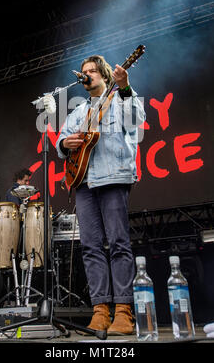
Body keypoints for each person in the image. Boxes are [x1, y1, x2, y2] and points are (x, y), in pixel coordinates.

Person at [56, 54, 145, 335]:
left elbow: (135, 122)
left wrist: (127, 87)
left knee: (118, 243)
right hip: (83, 183)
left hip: (113, 177)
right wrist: (64, 143)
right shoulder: (77, 112)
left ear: (105, 76)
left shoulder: (120, 99)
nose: (87, 75)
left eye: (92, 71)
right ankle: (100, 311)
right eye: (83, 72)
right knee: (91, 247)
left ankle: (123, 311)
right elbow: (62, 138)